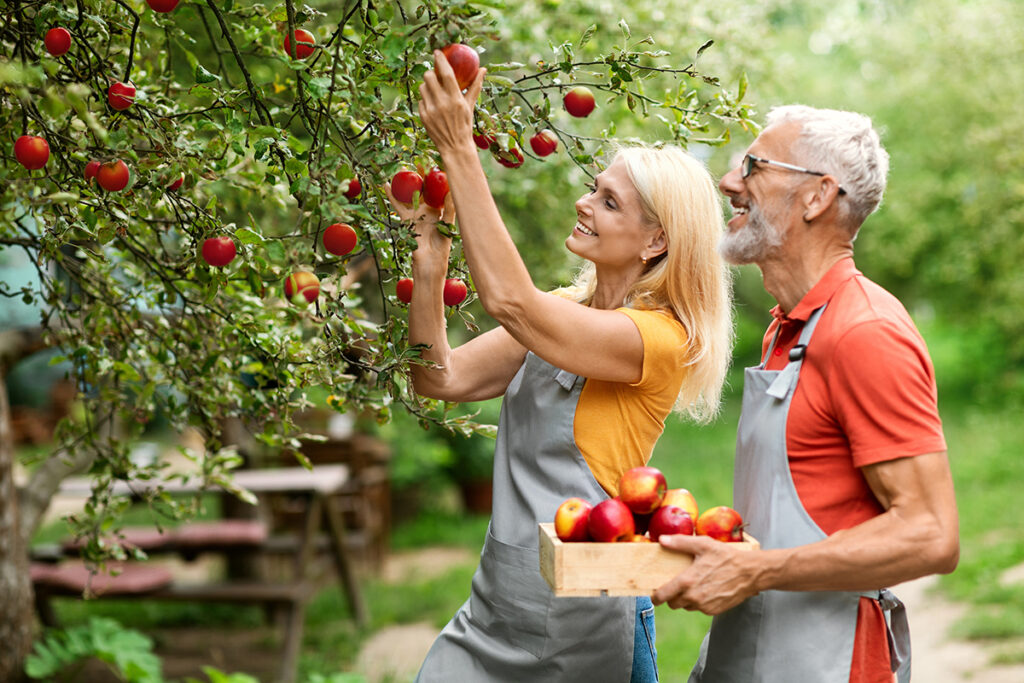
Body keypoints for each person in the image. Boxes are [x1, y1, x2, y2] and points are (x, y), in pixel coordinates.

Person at [391, 52, 733, 682]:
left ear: (656, 240)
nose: (584, 202)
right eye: (594, 188)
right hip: (496, 604)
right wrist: (429, 271)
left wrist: (460, 151)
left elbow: (511, 303)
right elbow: (440, 379)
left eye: (607, 201)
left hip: (583, 624)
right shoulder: (562, 312)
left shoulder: (654, 340)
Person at [651, 105, 960, 683]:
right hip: (753, 646)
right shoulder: (787, 327)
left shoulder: (866, 332)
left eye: (753, 166)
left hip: (828, 658)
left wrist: (759, 571)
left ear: (817, 197)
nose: (728, 182)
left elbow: (930, 533)